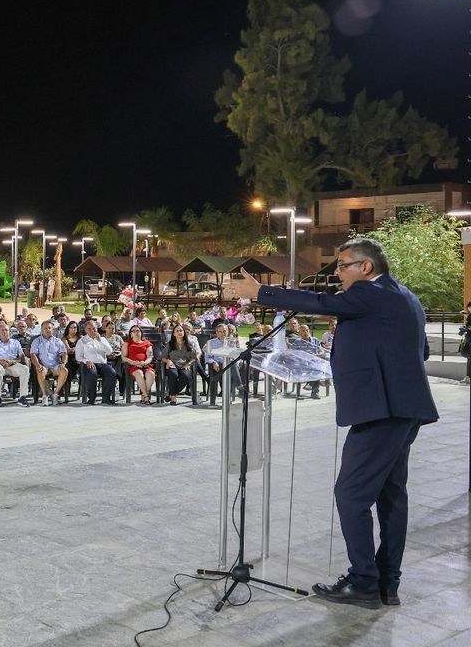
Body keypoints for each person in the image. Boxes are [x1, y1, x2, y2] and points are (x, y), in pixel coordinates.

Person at [232, 239, 439, 609]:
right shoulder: (405, 297)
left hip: (380, 411)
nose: (337, 273)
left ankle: (363, 582)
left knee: (351, 495)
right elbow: (419, 351)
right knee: (391, 496)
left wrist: (261, 292)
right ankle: (386, 583)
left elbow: (321, 302)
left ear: (366, 267)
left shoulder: (371, 293)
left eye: (343, 265)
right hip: (402, 410)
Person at [0, 323, 31, 407]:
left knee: (25, 369)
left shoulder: (15, 342)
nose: (4, 332)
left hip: (12, 365)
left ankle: (22, 397)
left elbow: (21, 357)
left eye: (6, 330)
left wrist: (12, 361)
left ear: (9, 332)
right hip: (0, 366)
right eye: (2, 330)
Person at [76, 320, 118, 405]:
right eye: (89, 329)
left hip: (102, 364)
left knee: (112, 373)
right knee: (92, 373)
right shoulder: (82, 341)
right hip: (89, 364)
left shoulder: (103, 339)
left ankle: (106, 398)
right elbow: (78, 357)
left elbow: (109, 352)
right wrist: (86, 361)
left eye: (94, 328)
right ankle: (91, 398)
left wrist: (100, 341)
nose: (92, 330)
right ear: (85, 330)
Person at [29, 321, 68, 405]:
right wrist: (38, 365)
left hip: (55, 365)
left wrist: (63, 363)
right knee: (40, 370)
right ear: (41, 330)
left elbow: (64, 353)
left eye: (49, 328)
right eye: (45, 328)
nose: (48, 330)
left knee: (64, 370)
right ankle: (44, 395)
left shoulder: (58, 341)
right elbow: (33, 355)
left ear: (53, 329)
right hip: (43, 365)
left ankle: (55, 394)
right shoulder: (37, 341)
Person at [161, 325, 198, 405]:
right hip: (173, 365)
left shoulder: (189, 344)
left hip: (185, 366)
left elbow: (194, 358)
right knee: (173, 374)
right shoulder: (170, 344)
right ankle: (173, 398)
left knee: (186, 376)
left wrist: (188, 364)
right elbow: (163, 357)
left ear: (184, 332)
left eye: (181, 330)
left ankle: (172, 395)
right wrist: (168, 361)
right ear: (174, 334)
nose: (179, 332)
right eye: (177, 331)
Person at [122, 325, 156, 405]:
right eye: (134, 331)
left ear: (141, 333)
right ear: (131, 334)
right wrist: (134, 362)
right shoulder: (127, 343)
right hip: (133, 365)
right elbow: (123, 357)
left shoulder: (147, 343)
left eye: (138, 331)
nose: (136, 333)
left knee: (151, 374)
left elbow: (150, 356)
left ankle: (144, 394)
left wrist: (145, 363)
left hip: (146, 365)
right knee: (139, 373)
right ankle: (146, 396)